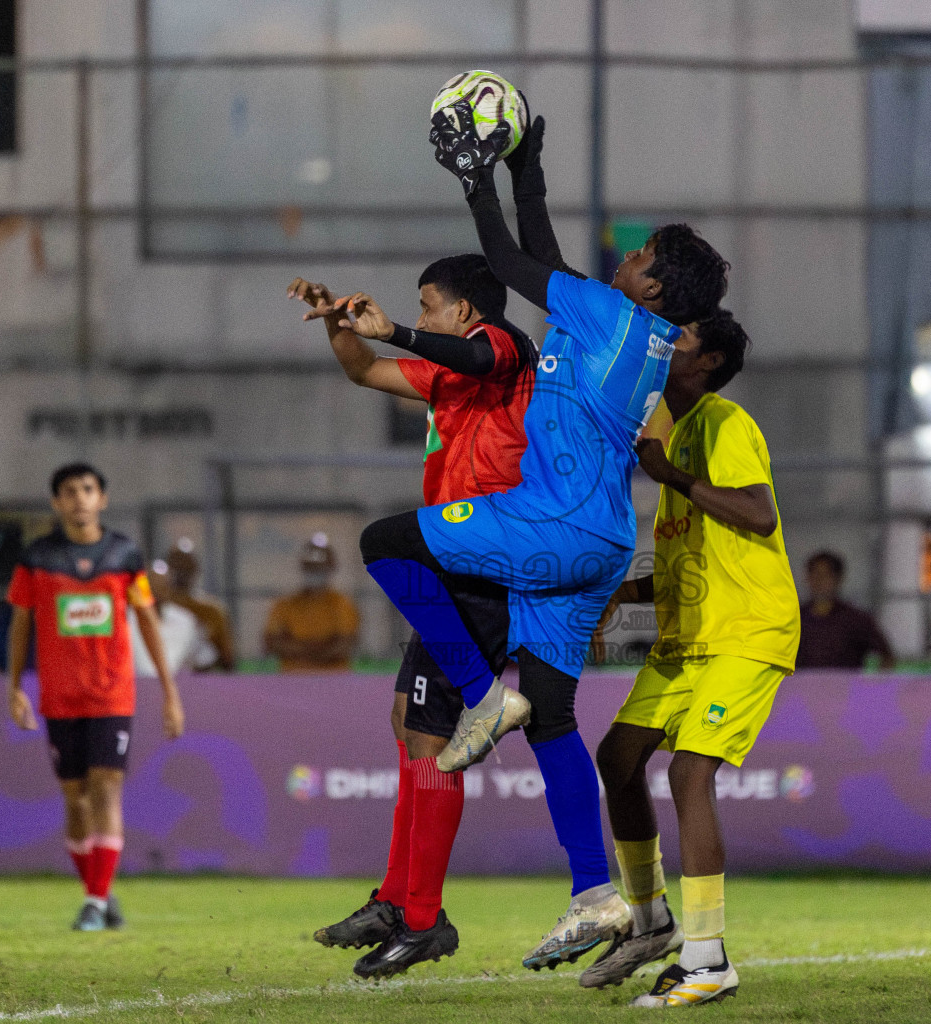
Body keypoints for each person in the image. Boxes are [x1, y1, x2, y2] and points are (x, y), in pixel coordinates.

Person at [356, 103, 729, 971]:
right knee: (555, 719)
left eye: (638, 255)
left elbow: (513, 261)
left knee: (385, 542)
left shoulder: (606, 312)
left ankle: (481, 698)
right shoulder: (634, 329)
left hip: (550, 520)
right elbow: (545, 257)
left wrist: (473, 176)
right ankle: (596, 894)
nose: (623, 257)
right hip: (600, 539)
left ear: (653, 284)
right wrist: (527, 159)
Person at [290, 252, 535, 977]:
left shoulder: (504, 348)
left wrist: (394, 327)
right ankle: (398, 897)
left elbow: (468, 350)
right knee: (408, 724)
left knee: (433, 740)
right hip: (448, 558)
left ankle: (423, 918)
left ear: (463, 310)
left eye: (429, 304)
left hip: (484, 557)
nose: (421, 316)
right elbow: (364, 371)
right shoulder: (451, 375)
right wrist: (340, 325)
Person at [588, 312, 797, 1006]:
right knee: (616, 759)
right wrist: (628, 590)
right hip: (688, 642)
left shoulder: (722, 421)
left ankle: (708, 963)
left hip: (746, 632)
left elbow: (759, 515)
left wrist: (669, 474)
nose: (664, 342)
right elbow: (693, 549)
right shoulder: (665, 432)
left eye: (679, 338)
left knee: (689, 770)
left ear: (705, 362)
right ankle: (650, 924)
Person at [4, 463, 186, 931]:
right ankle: (100, 895)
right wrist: (14, 689)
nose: (80, 498)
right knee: (75, 799)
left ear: (102, 499)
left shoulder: (125, 555)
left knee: (106, 787)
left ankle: (94, 901)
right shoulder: (37, 558)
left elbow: (147, 621)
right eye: (69, 491)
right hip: (60, 697)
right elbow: (20, 623)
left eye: (88, 489)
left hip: (112, 695)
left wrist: (169, 693)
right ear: (56, 503)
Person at [262, 534, 361, 672]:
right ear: (303, 566)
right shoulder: (285, 604)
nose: (315, 571)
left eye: (319, 567)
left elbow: (345, 645)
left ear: (330, 567)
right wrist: (321, 648)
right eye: (311, 567)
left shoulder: (342, 604)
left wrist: (298, 648)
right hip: (292, 680)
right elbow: (272, 643)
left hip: (335, 681)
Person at [795, 552, 896, 671]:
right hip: (802, 688)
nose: (819, 581)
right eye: (815, 575)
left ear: (838, 578)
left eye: (825, 575)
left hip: (845, 688)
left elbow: (887, 656)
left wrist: (876, 687)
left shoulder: (855, 619)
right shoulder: (795, 619)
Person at [161, 543, 236, 671]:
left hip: (201, 680)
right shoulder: (157, 606)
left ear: (195, 569)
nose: (182, 572)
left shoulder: (212, 610)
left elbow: (227, 659)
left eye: (187, 567)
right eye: (177, 566)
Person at [129, 566, 202, 678]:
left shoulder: (187, 621)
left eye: (163, 586)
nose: (157, 592)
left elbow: (199, 660)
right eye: (152, 586)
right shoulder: (126, 619)